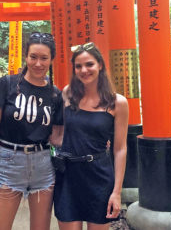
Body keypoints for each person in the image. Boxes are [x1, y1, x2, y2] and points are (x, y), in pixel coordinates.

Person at [0, 32, 64, 230]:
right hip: (9, 162)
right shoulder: (6, 84)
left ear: (51, 60)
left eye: (44, 58)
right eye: (33, 57)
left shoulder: (55, 94)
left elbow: (57, 137)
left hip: (43, 165)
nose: (38, 63)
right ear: (26, 56)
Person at [53, 42, 129, 230]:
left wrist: (116, 192)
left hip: (99, 176)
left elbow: (120, 149)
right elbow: (60, 133)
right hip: (68, 175)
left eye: (89, 64)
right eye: (78, 66)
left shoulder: (117, 102)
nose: (84, 70)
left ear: (100, 65)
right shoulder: (68, 93)